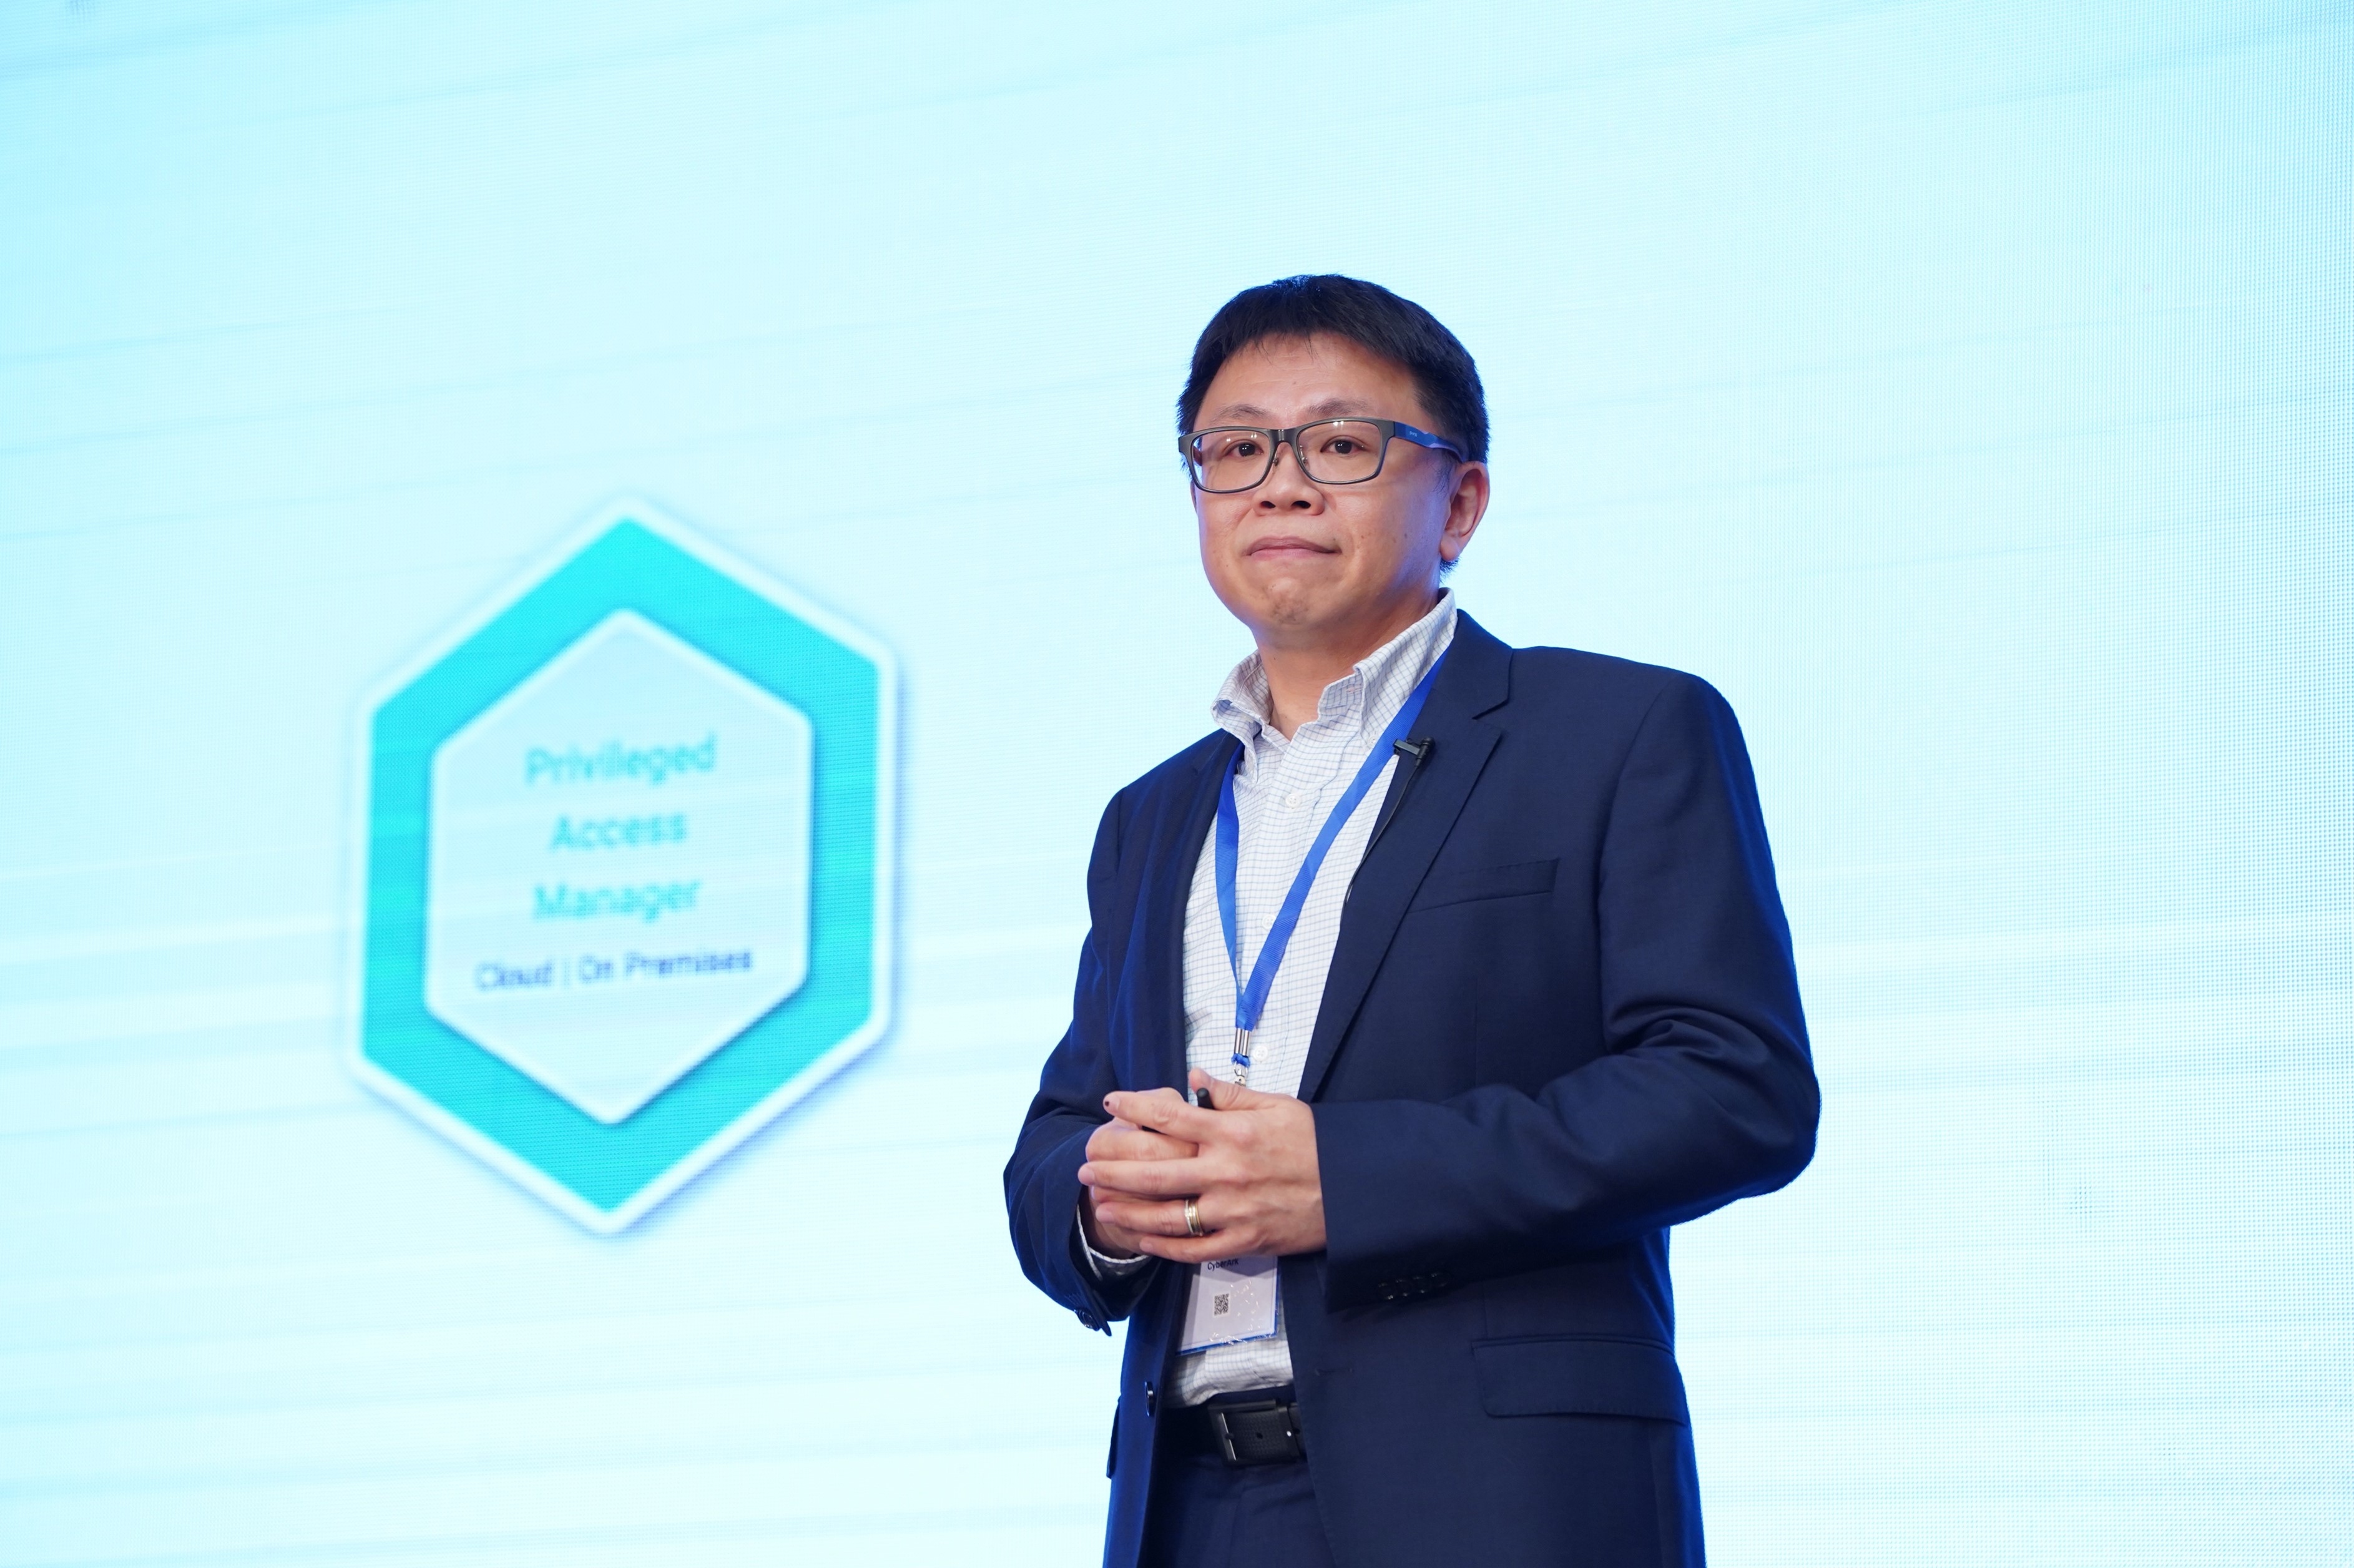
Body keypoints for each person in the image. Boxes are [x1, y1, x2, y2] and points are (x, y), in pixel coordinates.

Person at [1003, 274, 1818, 1568]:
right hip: (1191, 1507)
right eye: (1234, 450)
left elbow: (1734, 1089)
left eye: (1339, 445)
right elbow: (1056, 1140)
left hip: (1501, 1502)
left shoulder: (1616, 734)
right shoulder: (1148, 817)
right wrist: (1105, 1208)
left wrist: (1341, 1177)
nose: (1279, 487)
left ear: (1463, 501)